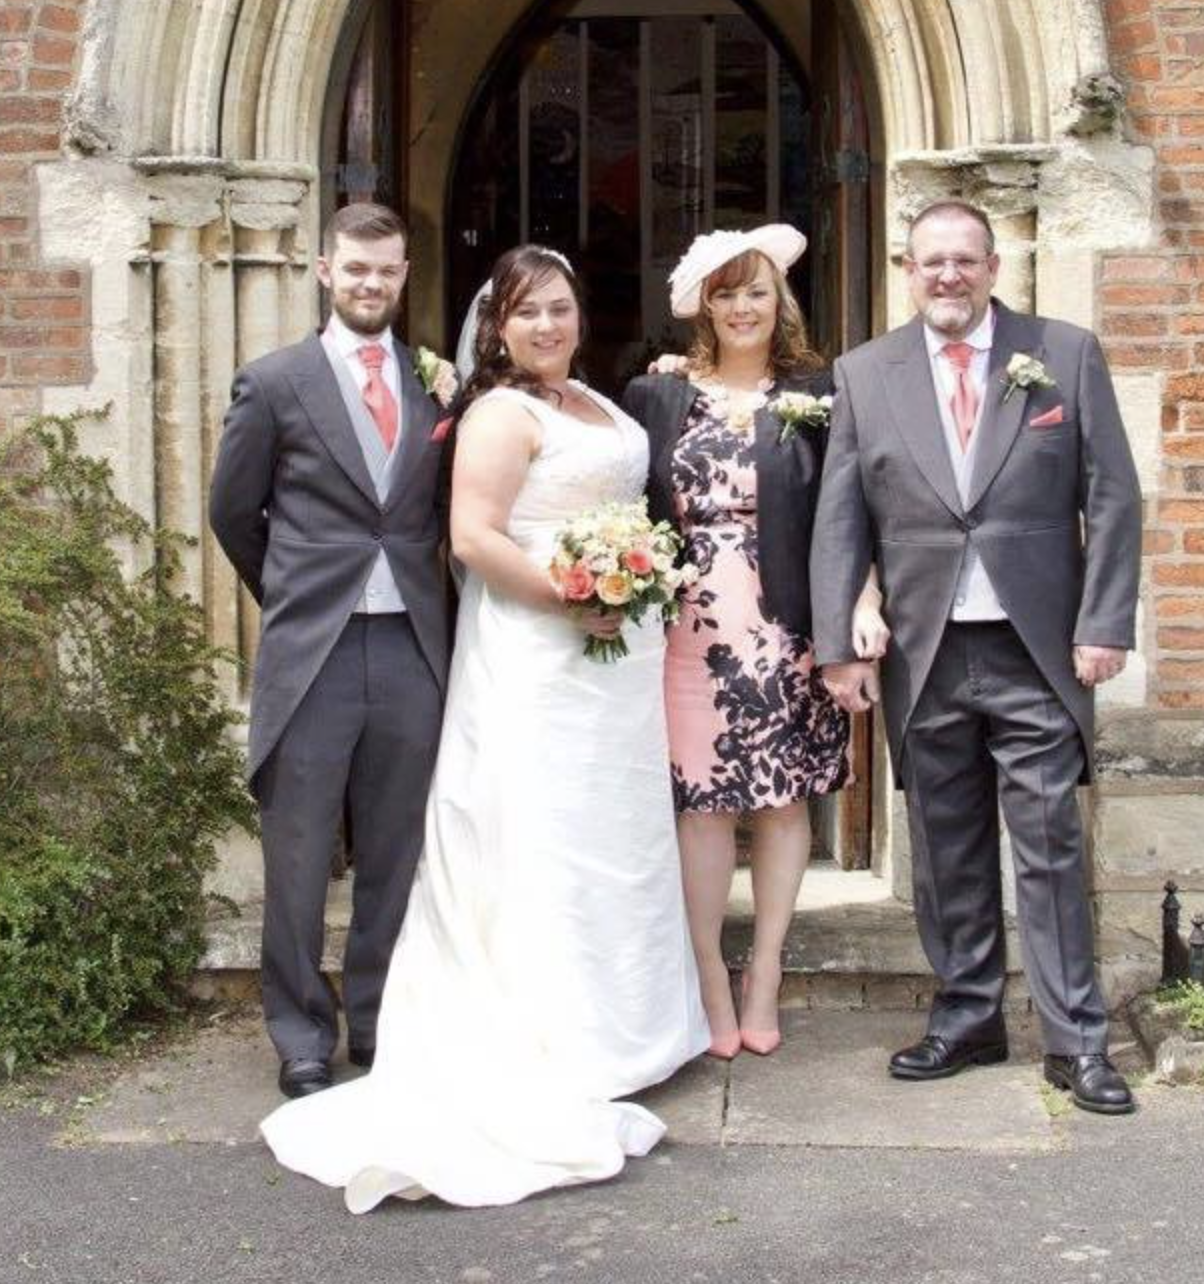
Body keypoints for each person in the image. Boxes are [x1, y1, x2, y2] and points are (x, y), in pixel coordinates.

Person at [260, 244, 709, 1210]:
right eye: (526, 313)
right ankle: (557, 1036)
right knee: (539, 835)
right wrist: (573, 593)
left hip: (612, 665)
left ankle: (629, 1029)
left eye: (560, 307)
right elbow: (472, 537)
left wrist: (625, 585)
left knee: (609, 835)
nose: (547, 326)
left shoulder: (596, 402)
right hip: (540, 653)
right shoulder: (502, 413)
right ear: (496, 329)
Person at [811, 199, 1142, 1115]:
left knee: (1047, 845)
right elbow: (842, 517)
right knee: (945, 847)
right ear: (907, 272)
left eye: (964, 260)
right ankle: (966, 1016)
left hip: (1037, 648)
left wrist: (1104, 621)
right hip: (927, 651)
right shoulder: (865, 373)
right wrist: (839, 641)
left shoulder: (1063, 352)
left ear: (994, 266)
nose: (947, 277)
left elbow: (1112, 495)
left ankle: (1077, 1043)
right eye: (930, 263)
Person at [624, 226, 888, 1059]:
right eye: (727, 292)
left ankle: (764, 970)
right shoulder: (656, 395)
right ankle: (706, 972)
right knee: (703, 806)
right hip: (687, 630)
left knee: (782, 801)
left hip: (786, 628)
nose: (743, 307)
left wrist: (860, 606)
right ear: (705, 304)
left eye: (758, 292)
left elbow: (855, 511)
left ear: (782, 303)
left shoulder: (820, 392)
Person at [208, 203, 453, 1101]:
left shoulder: (436, 384)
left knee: (395, 849)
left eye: (385, 270)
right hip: (312, 653)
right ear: (322, 269)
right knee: (301, 856)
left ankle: (378, 1018)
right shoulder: (273, 383)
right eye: (355, 268)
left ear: (403, 274)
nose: (370, 284)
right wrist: (297, 597)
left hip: (410, 652)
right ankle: (300, 1034)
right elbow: (235, 514)